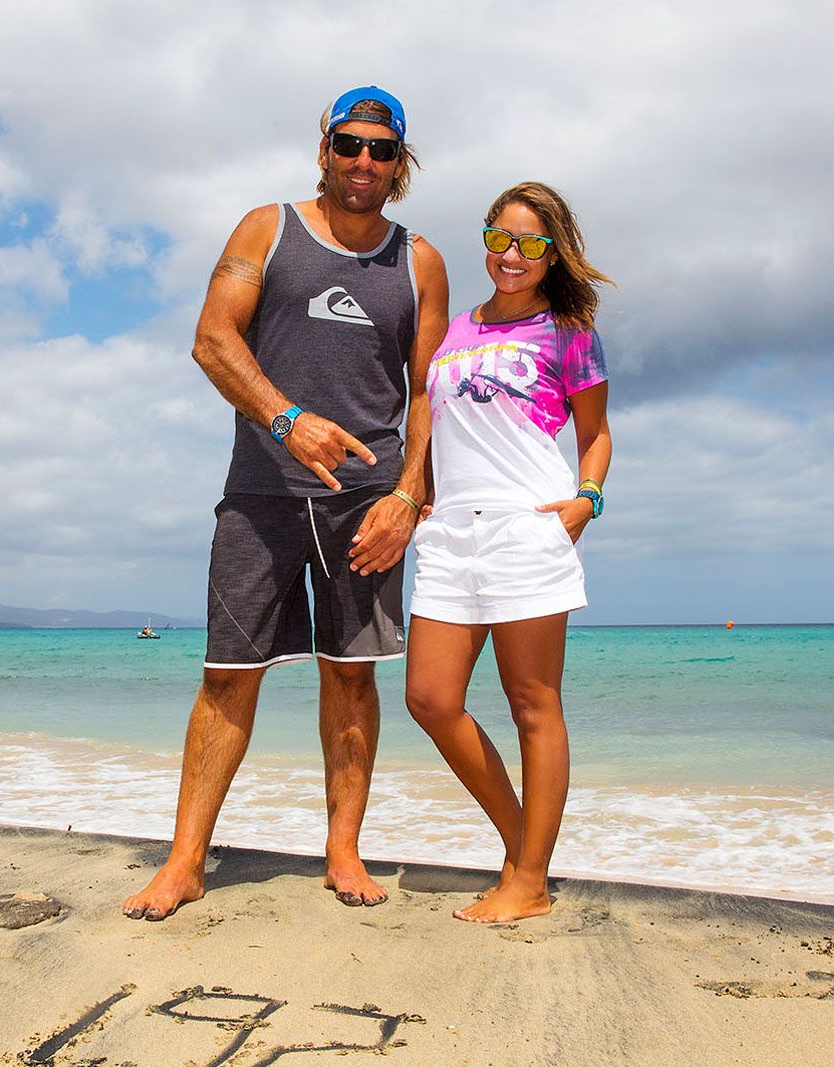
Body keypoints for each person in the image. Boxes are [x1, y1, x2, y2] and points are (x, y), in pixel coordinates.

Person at [122, 86, 449, 921]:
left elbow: (427, 393)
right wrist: (288, 418)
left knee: (350, 679)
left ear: (400, 164)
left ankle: (343, 850)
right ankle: (186, 861)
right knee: (227, 677)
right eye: (349, 144)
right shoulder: (267, 229)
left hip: (366, 503)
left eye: (381, 150)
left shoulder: (421, 263)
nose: (363, 162)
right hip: (262, 494)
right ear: (324, 150)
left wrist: (410, 495)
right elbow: (211, 338)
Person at [404, 181, 612, 923]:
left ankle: (527, 879)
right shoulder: (456, 329)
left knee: (533, 704)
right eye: (501, 239)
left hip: (528, 528)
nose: (513, 256)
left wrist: (586, 500)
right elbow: (427, 417)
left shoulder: (569, 331)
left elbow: (596, 433)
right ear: (485, 239)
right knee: (429, 697)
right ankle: (525, 844)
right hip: (451, 532)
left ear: (553, 253)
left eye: (531, 244)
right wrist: (419, 492)